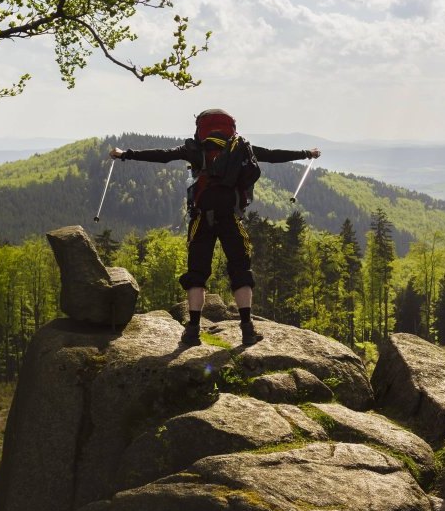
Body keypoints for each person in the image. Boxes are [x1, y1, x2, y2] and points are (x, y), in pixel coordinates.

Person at [109, 109, 320, 347]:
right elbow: (272, 155)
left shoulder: (194, 149)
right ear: (230, 127)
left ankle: (192, 331)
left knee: (197, 272)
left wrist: (124, 154)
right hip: (231, 217)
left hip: (201, 218)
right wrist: (306, 153)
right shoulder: (241, 146)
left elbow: (162, 155)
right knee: (240, 270)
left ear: (201, 128)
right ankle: (247, 330)